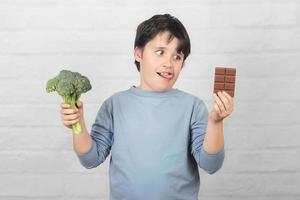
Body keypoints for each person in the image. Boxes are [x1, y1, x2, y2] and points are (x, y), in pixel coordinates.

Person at [60, 14, 234, 200]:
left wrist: (216, 122)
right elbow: (90, 158)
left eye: (177, 56)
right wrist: (77, 125)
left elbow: (211, 164)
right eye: (160, 52)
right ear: (138, 53)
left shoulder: (193, 107)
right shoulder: (114, 105)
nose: (169, 63)